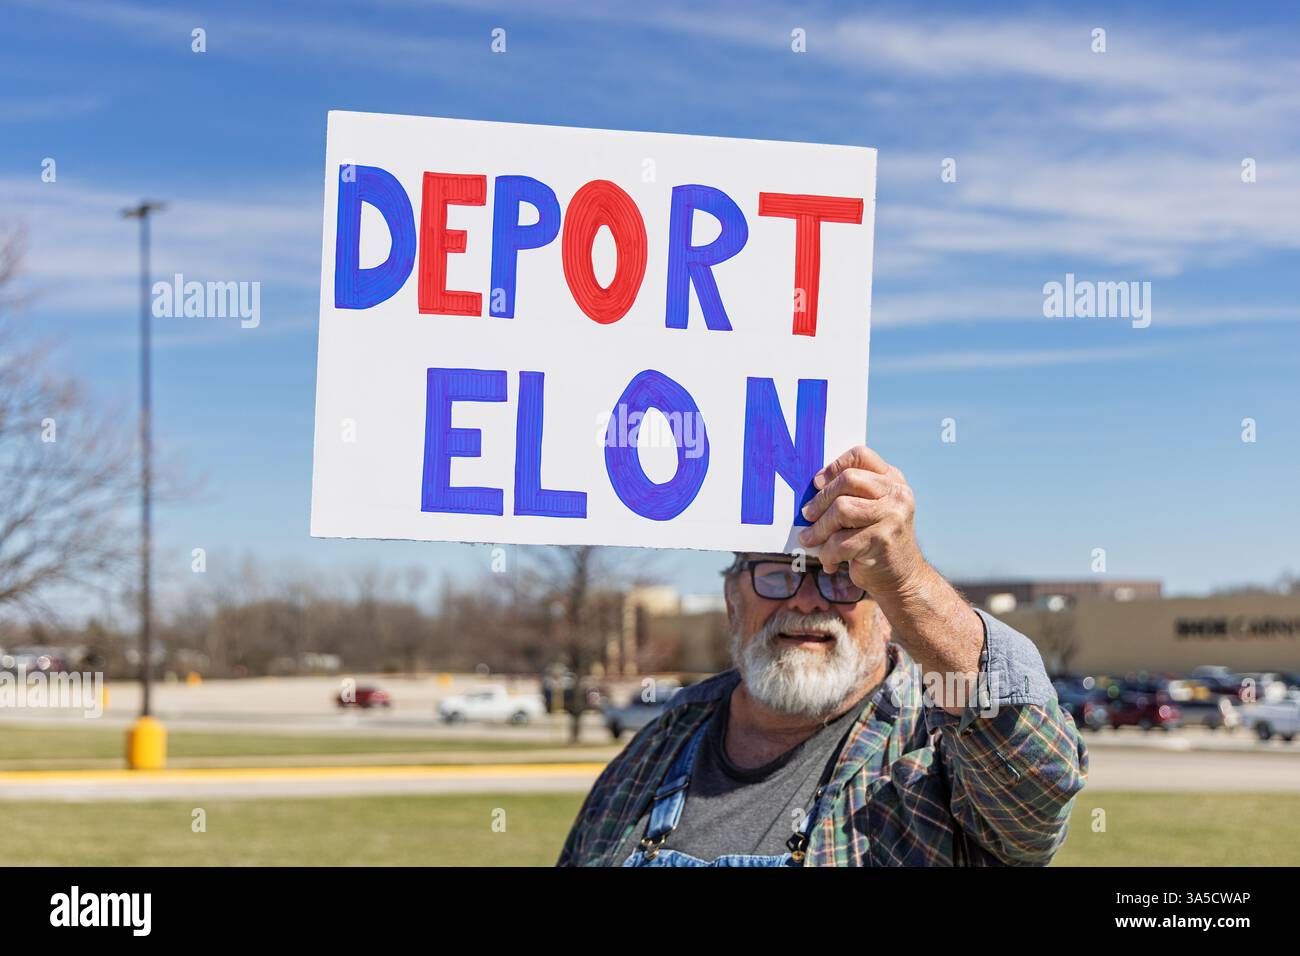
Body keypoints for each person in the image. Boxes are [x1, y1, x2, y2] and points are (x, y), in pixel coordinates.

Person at [558, 445, 1087, 866]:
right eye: (777, 573)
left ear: (886, 612)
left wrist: (906, 578)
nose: (807, 599)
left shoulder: (935, 751)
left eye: (841, 577)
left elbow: (1035, 802)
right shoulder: (658, 746)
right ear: (731, 599)